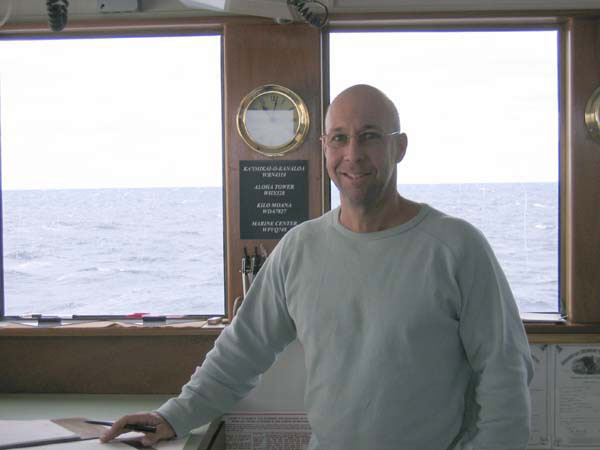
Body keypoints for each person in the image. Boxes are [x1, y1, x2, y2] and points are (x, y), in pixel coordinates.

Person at [101, 84, 533, 449]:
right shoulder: (299, 248)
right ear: (323, 147)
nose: (353, 154)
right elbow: (241, 349)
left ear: (399, 147)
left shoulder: (456, 246)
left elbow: (505, 374)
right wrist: (175, 415)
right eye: (340, 138)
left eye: (369, 136)